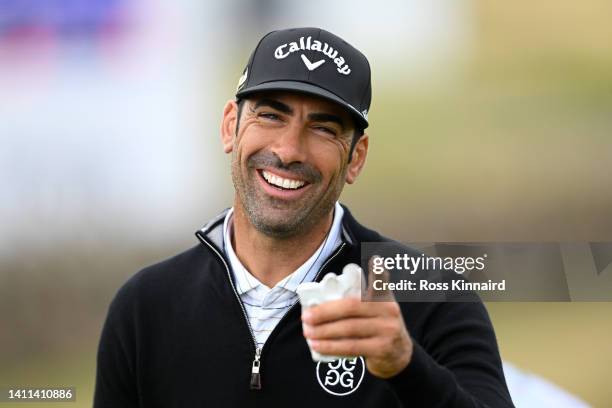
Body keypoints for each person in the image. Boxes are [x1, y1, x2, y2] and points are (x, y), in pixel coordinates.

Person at [94, 27, 515, 407]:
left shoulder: (432, 298)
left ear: (356, 159)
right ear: (230, 126)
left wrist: (406, 367)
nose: (289, 149)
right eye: (271, 115)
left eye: (323, 128)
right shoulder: (146, 307)